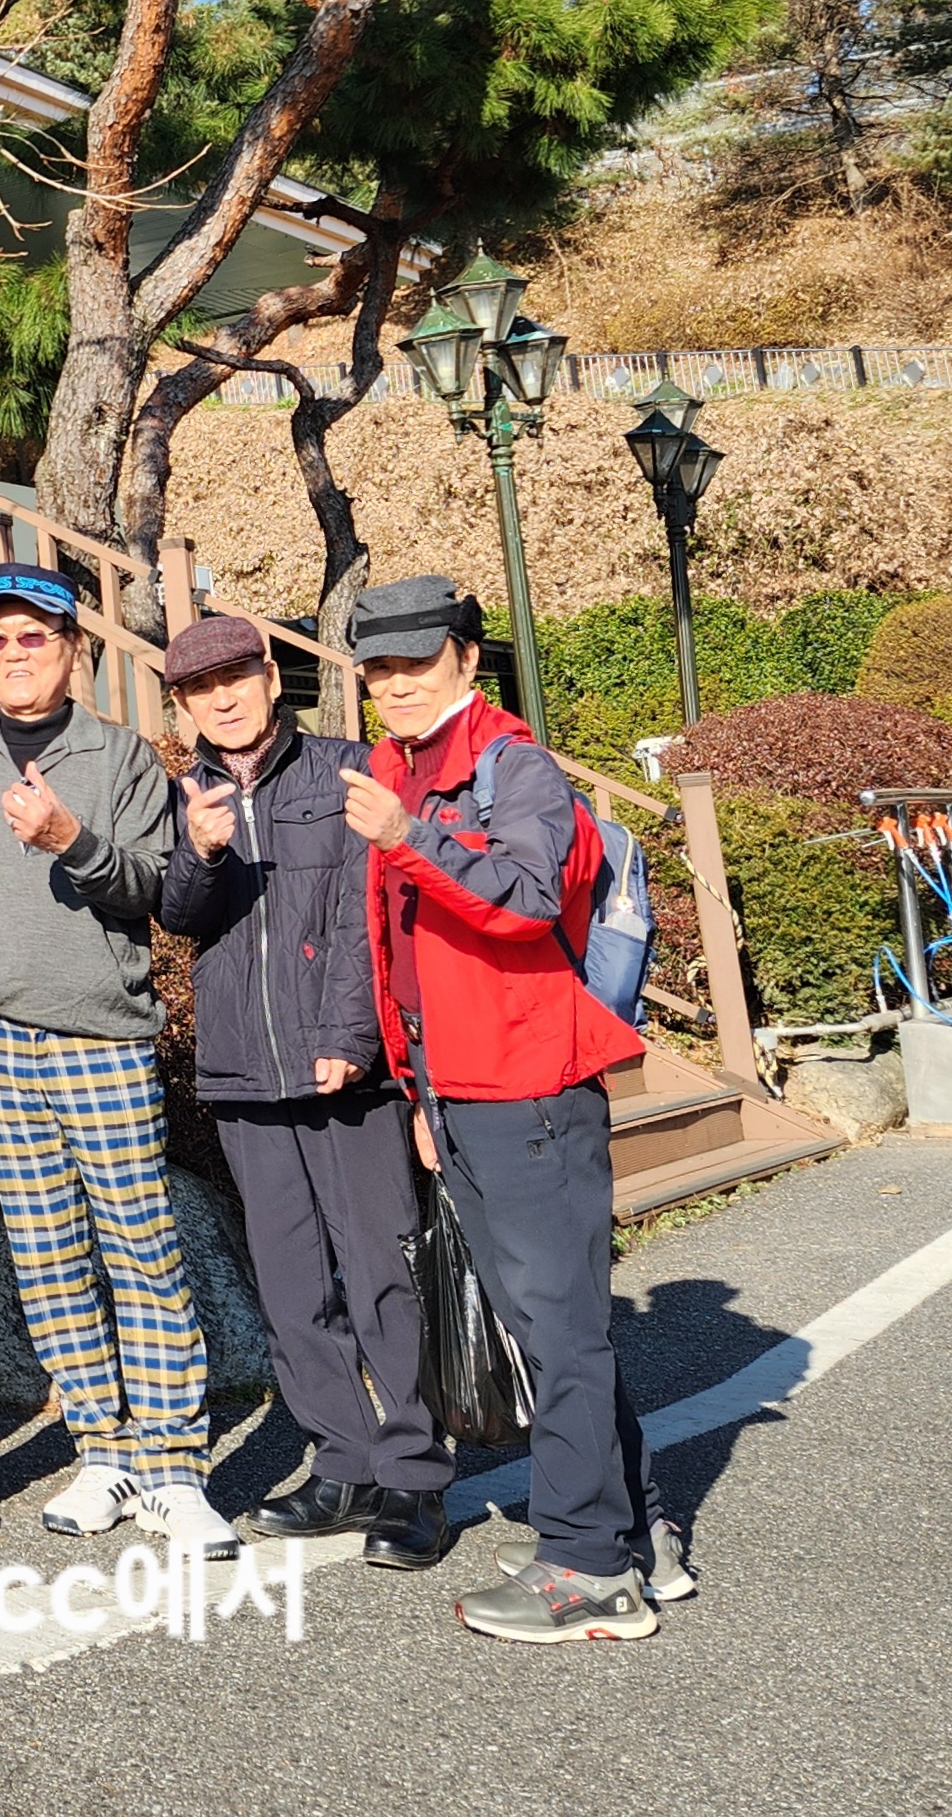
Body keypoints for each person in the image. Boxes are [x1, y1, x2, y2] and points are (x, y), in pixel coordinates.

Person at [340, 575, 688, 1643]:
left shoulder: (512, 766)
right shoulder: (400, 767)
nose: (395, 683)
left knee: (561, 1334)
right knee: (547, 1329)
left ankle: (589, 1568)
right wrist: (419, 1092)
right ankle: (632, 1531)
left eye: (414, 661)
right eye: (377, 668)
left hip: (530, 1086)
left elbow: (530, 899)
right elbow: (402, 955)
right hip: (460, 1089)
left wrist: (407, 835)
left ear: (463, 658)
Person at [0, 565, 234, 1559]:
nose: (14, 655)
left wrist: (71, 840)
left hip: (101, 1036)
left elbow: (155, 887)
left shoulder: (119, 756)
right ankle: (102, 1451)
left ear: (73, 651)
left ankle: (175, 1468)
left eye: (36, 637)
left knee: (142, 1252)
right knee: (47, 1258)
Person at [155, 613, 453, 1569]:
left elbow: (372, 912)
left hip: (344, 1072)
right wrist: (198, 852)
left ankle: (413, 1474)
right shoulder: (186, 791)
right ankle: (343, 1462)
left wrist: (349, 1035)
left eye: (236, 678)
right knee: (289, 1286)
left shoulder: (346, 770)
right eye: (201, 689)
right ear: (182, 705)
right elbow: (178, 918)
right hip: (245, 1072)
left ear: (271, 678)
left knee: (380, 1273)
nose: (223, 700)